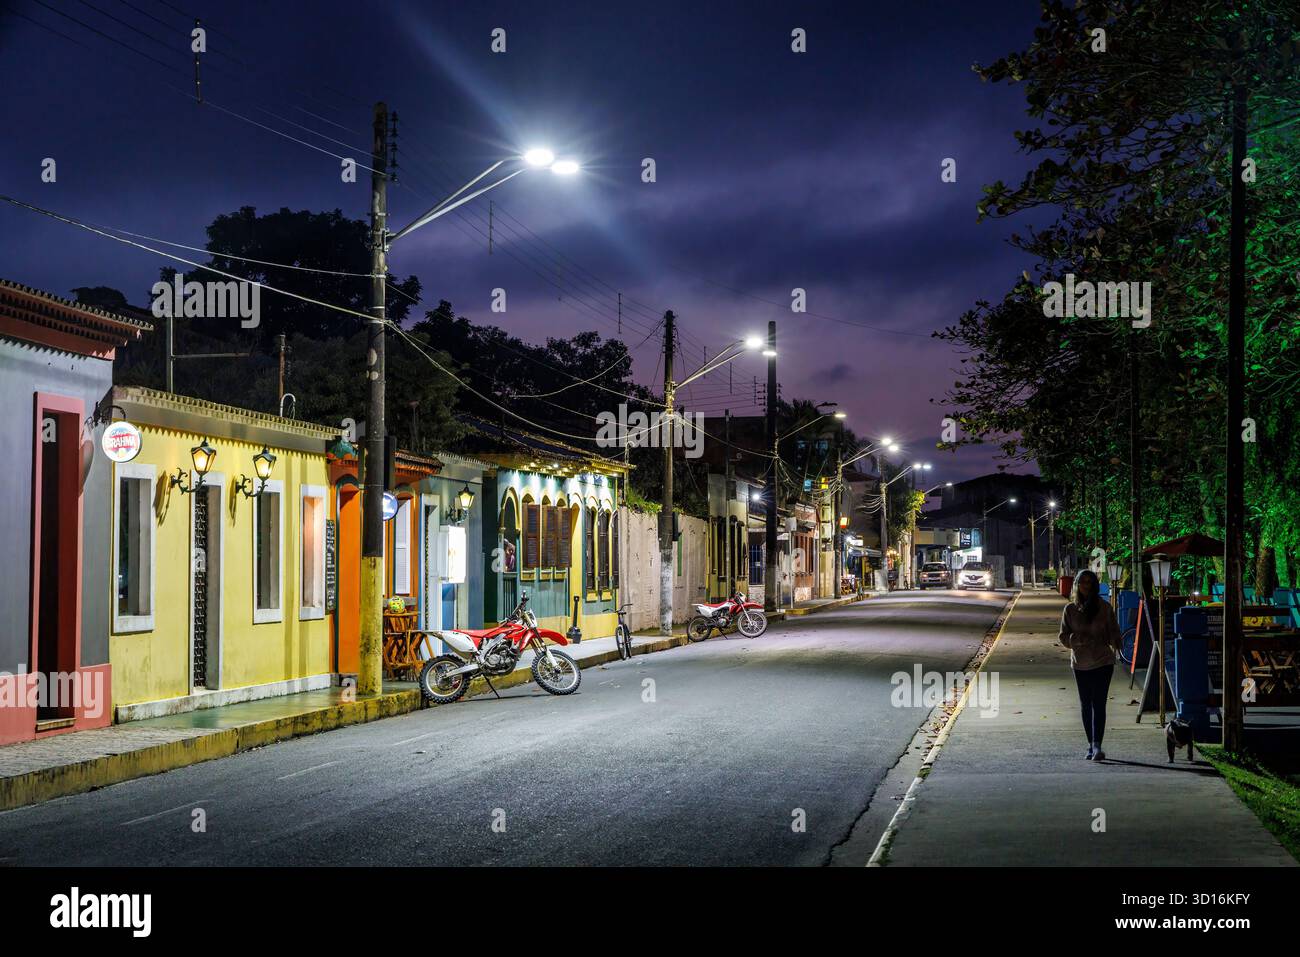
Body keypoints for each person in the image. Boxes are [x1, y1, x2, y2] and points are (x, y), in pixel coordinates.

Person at [1058, 569, 1121, 760]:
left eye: (1090, 582)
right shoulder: (1070, 610)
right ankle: (1089, 744)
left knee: (1099, 704)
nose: (1086, 585)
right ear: (1077, 585)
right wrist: (1076, 639)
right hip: (1080, 663)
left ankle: (1097, 745)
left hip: (1103, 661)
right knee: (1086, 704)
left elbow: (1114, 633)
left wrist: (1116, 640)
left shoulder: (1104, 607)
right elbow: (1063, 636)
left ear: (1094, 585)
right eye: (1082, 582)